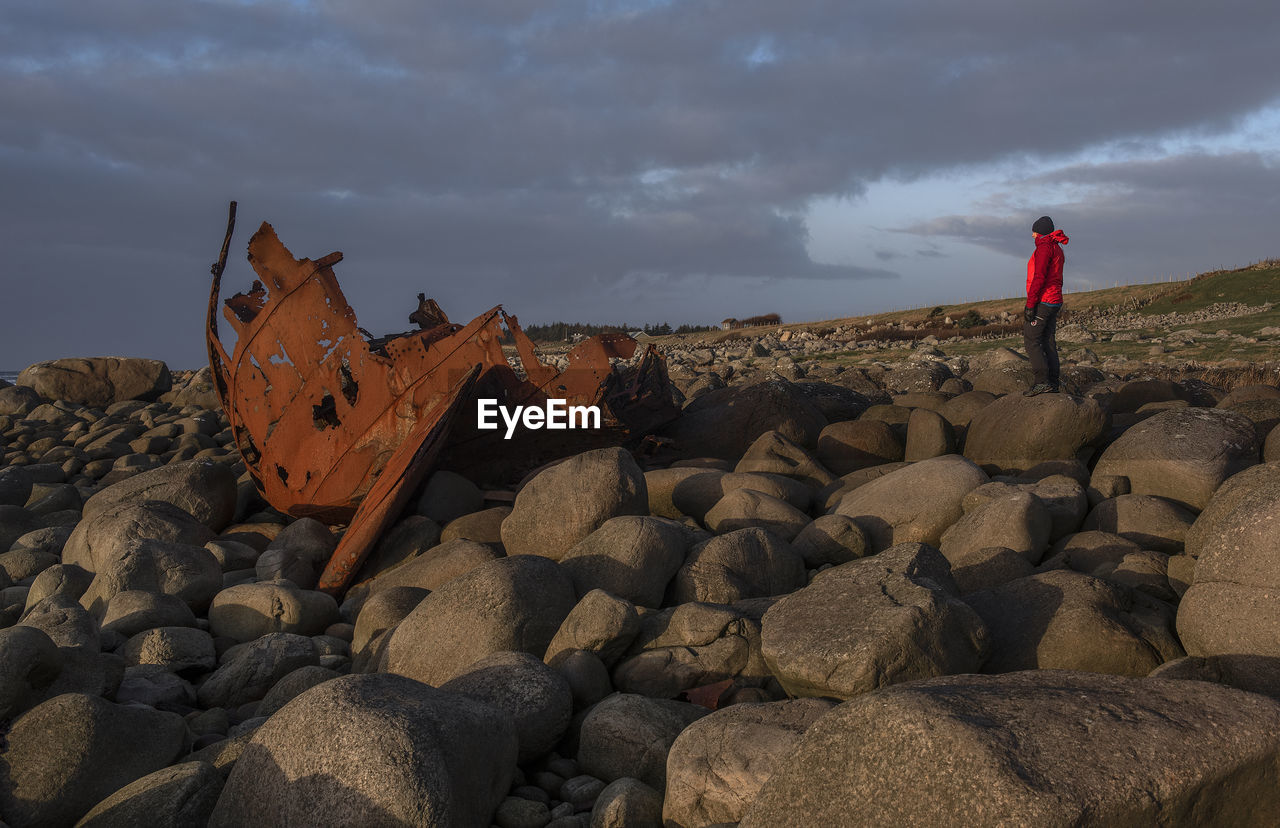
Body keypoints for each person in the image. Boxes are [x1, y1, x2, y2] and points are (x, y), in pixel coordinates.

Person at [1023, 215, 1069, 396]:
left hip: (1044, 300)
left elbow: (1039, 277)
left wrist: (1030, 304)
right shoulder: (1057, 248)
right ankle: (1053, 383)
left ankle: (1042, 382)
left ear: (1041, 233)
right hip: (1055, 299)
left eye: (1035, 231)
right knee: (1048, 341)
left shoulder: (1045, 248)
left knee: (1032, 340)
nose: (1033, 235)